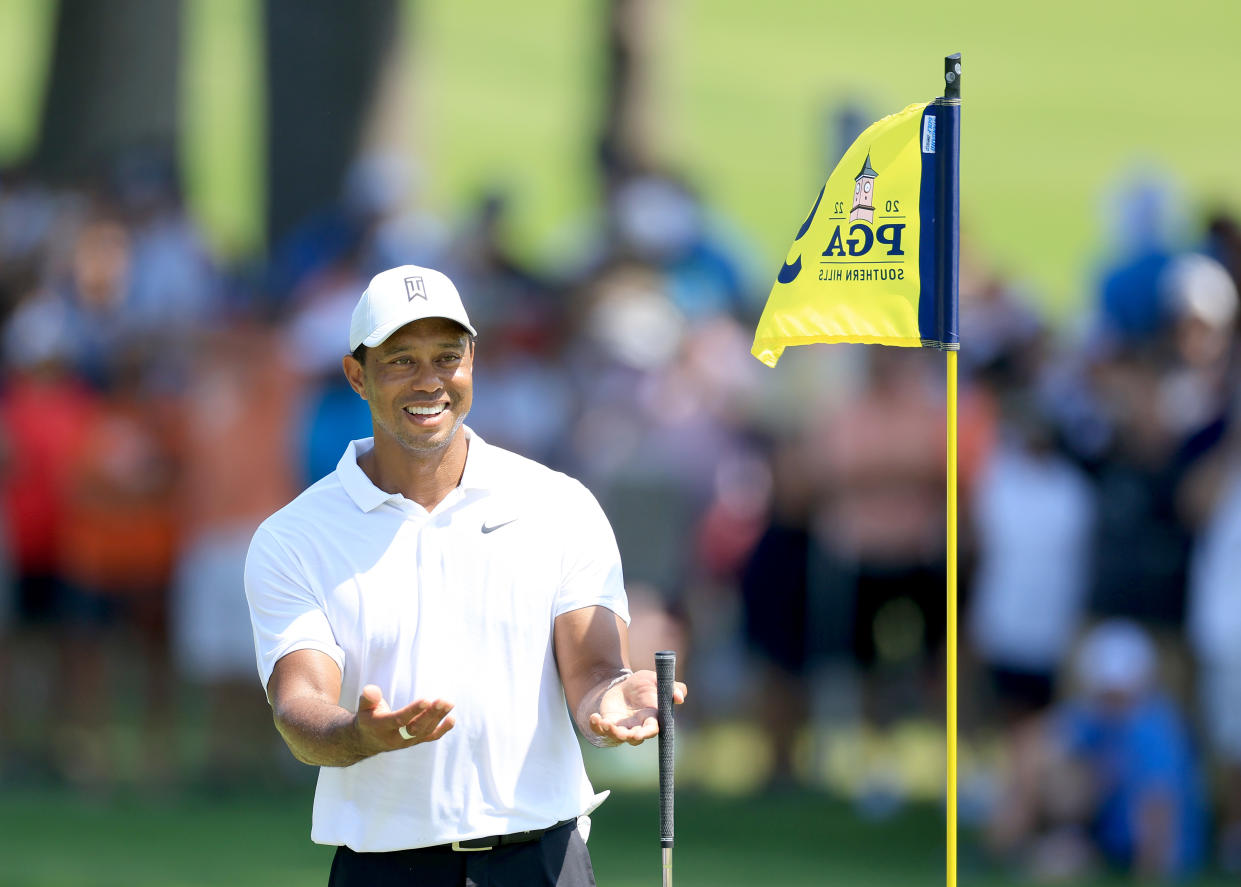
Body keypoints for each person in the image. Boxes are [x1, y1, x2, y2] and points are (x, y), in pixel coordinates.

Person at [244, 264, 685, 886]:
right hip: (385, 871)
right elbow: (299, 708)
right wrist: (360, 735)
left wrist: (614, 699)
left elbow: (591, 672)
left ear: (472, 360)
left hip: (542, 863)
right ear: (356, 376)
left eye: (447, 356)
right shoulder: (294, 537)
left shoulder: (559, 505)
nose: (430, 381)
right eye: (401, 360)